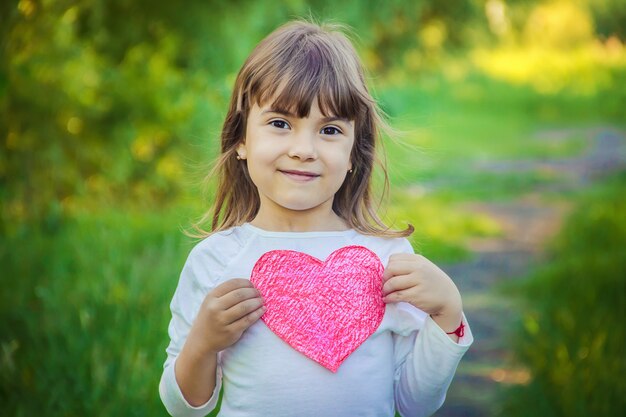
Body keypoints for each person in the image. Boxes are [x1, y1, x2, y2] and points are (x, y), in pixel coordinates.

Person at [159, 19, 473, 417]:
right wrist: (203, 343)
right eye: (280, 124)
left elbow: (414, 404)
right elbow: (183, 409)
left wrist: (448, 314)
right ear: (241, 139)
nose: (304, 149)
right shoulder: (216, 259)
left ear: (353, 154)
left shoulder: (387, 259)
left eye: (329, 130)